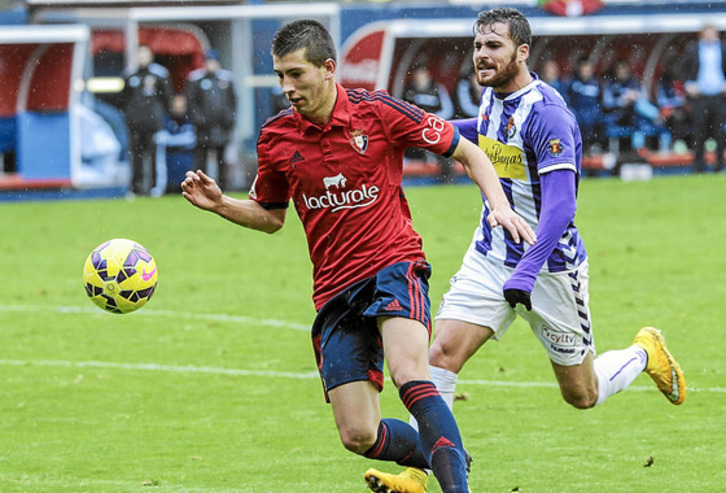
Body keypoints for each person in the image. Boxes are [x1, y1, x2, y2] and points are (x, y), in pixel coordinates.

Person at [181, 19, 535, 493]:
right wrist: (221, 204)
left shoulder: (379, 112)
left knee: (410, 374)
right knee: (358, 434)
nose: (287, 87)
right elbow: (271, 216)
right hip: (334, 290)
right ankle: (442, 450)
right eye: (281, 75)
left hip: (394, 265)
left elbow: (469, 152)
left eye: (297, 74)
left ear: (328, 69)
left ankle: (455, 484)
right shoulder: (276, 137)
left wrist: (499, 206)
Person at [375, 7, 686, 491]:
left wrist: (527, 270)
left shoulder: (548, 115)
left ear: (522, 52)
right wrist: (412, 129)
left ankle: (645, 352)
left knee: (582, 393)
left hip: (550, 268)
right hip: (490, 255)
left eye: (493, 46)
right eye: (478, 46)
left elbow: (561, 207)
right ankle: (418, 472)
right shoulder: (492, 98)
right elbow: (480, 132)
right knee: (440, 355)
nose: (481, 55)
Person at [120, 44, 173, 196]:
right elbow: (123, 99)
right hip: (135, 124)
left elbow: (167, 98)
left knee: (155, 155)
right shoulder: (129, 75)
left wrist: (159, 118)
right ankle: (136, 188)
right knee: (136, 156)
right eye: (140, 54)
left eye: (145, 54)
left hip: (153, 124)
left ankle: (154, 187)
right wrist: (130, 116)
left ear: (151, 56)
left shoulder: (160, 74)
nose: (142, 57)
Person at [185, 49, 237, 189]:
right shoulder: (196, 80)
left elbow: (232, 102)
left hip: (221, 127)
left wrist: (229, 120)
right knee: (201, 159)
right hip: (203, 128)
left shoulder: (226, 80)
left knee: (222, 159)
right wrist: (199, 120)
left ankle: (222, 187)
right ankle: (201, 187)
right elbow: (192, 103)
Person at [402, 62, 457, 182]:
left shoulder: (437, 88)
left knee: (444, 148)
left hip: (435, 127)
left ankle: (449, 178)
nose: (420, 77)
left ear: (427, 74)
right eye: (417, 74)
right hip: (417, 129)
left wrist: (432, 120)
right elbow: (404, 111)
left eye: (422, 73)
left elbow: (448, 109)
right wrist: (420, 121)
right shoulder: (409, 91)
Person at [683, 24, 726, 173]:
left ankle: (719, 165)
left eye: (712, 33)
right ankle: (698, 166)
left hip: (719, 96)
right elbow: (684, 69)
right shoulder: (693, 50)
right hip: (700, 97)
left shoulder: (723, 49)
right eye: (707, 33)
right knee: (699, 132)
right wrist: (688, 85)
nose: (709, 36)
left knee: (719, 132)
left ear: (717, 34)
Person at [152, 93, 196, 196]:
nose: (179, 110)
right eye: (176, 107)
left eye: (181, 107)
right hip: (170, 160)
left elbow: (190, 139)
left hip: (185, 159)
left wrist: (171, 140)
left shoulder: (190, 120)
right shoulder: (166, 120)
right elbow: (160, 138)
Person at [563, 57, 604, 154]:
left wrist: (596, 111)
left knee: (602, 121)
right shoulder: (571, 83)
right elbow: (567, 100)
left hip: (593, 114)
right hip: (578, 113)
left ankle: (596, 145)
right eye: (583, 69)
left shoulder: (597, 83)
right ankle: (581, 147)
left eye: (588, 69)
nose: (585, 72)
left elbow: (601, 100)